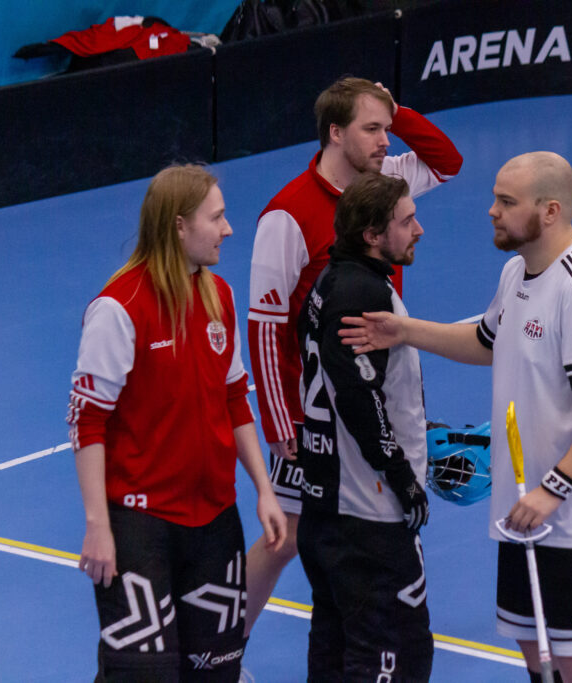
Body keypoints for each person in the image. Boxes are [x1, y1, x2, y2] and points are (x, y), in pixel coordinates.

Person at [340, 152, 572, 683]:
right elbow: (487, 342)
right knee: (534, 649)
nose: (491, 211)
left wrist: (554, 488)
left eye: (506, 202)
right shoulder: (516, 272)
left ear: (549, 211)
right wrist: (404, 330)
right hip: (525, 511)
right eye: (495, 198)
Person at [244, 76, 462, 634]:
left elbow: (448, 162)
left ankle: (355, 643)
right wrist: (280, 420)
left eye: (388, 129)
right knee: (287, 535)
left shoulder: (385, 184)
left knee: (364, 521)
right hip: (314, 411)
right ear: (335, 133)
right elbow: (265, 326)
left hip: (372, 397)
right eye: (372, 129)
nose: (386, 141)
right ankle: (216, 654)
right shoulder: (286, 214)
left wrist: (397, 110)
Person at [67, 164, 287, 681]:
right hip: (140, 525)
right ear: (179, 226)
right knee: (142, 674)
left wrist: (264, 490)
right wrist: (98, 526)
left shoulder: (219, 296)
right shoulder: (119, 308)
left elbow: (234, 399)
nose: (228, 229)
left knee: (215, 671)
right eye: (217, 218)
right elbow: (87, 422)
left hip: (214, 519)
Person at [297, 172, 432, 680]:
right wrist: (402, 476)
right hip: (368, 511)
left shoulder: (329, 281)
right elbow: (356, 394)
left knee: (333, 650)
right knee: (397, 654)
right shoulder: (362, 292)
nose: (418, 229)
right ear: (373, 235)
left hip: (327, 507)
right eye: (406, 221)